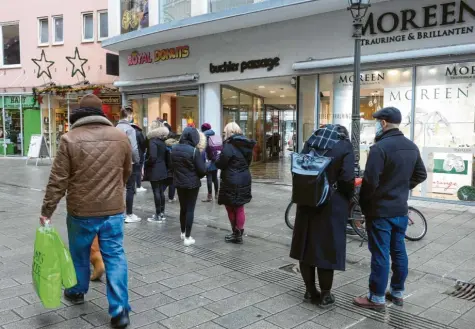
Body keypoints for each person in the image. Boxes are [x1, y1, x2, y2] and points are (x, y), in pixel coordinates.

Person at [40, 94, 132, 328]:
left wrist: (47, 210)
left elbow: (58, 180)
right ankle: (120, 310)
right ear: (101, 113)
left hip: (81, 211)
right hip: (113, 210)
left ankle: (77, 291)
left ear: (79, 114)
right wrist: (114, 190)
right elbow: (127, 171)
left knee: (79, 253)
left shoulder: (69, 139)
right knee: (115, 255)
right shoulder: (120, 137)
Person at [354, 107, 427, 311]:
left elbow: (369, 183)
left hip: (380, 211)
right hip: (400, 210)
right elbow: (421, 174)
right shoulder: (411, 146)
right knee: (399, 251)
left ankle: (376, 297)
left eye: (377, 122)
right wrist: (402, 187)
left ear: (383, 123)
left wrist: (363, 209)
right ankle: (397, 293)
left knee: (380, 254)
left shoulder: (380, 148)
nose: (377, 125)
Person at [289, 124, 355, 308]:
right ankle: (326, 295)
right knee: (326, 248)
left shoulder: (311, 142)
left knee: (306, 246)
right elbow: (348, 178)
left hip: (306, 201)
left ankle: (310, 291)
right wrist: (346, 198)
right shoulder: (344, 146)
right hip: (331, 205)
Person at [216, 122, 256, 244]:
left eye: (224, 132)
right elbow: (248, 162)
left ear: (228, 132)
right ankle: (238, 233)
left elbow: (221, 163)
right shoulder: (247, 145)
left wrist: (216, 159)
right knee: (239, 207)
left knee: (230, 207)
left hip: (231, 179)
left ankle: (236, 234)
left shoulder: (229, 146)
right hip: (244, 177)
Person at [170, 127, 207, 246]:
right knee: (190, 209)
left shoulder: (174, 149)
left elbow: (171, 166)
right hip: (192, 184)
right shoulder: (194, 151)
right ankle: (188, 237)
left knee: (183, 208)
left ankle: (182, 232)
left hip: (179, 183)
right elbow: (202, 170)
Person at [116, 107, 141, 223]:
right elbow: (134, 148)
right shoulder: (130, 129)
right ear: (129, 116)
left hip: (117, 162)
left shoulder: (115, 128)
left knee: (120, 188)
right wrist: (137, 161)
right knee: (130, 188)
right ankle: (129, 214)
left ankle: (118, 212)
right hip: (129, 162)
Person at [143, 121, 169, 223]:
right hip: (162, 169)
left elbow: (153, 157)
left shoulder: (153, 141)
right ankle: (162, 213)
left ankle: (158, 215)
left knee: (156, 191)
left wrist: (146, 162)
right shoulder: (162, 140)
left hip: (155, 169)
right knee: (161, 192)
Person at [201, 123, 219, 202]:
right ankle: (217, 194)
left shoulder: (204, 137)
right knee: (215, 178)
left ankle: (209, 196)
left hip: (208, 160)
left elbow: (203, 151)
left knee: (209, 177)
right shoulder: (215, 137)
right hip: (216, 160)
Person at [131, 121, 147, 193]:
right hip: (139, 154)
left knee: (131, 170)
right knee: (138, 170)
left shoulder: (128, 133)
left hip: (130, 154)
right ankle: (138, 186)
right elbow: (143, 144)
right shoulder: (139, 133)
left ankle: (131, 186)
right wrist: (143, 152)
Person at [164, 126, 178, 203]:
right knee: (172, 182)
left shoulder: (164, 144)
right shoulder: (177, 145)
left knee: (166, 182)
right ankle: (171, 197)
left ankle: (159, 193)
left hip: (166, 166)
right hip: (174, 166)